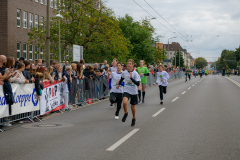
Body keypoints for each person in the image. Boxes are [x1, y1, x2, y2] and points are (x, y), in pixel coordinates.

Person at [116, 59, 140, 127]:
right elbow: (122, 78)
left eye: (130, 64)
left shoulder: (135, 73)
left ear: (132, 65)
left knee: (132, 107)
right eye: (127, 63)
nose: (128, 65)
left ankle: (133, 118)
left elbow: (138, 83)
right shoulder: (124, 72)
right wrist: (118, 84)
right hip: (127, 90)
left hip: (134, 92)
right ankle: (126, 113)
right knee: (124, 102)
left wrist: (131, 78)